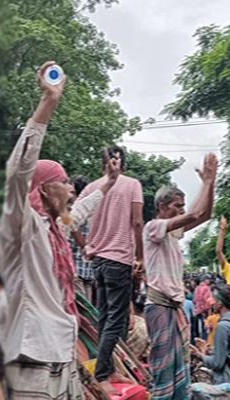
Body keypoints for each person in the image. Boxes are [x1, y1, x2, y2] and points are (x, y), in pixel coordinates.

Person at [0, 61, 120, 399]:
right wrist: (48, 102)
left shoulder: (54, 228)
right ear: (43, 189)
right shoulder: (24, 225)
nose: (70, 188)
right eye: (63, 182)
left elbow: (79, 212)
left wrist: (109, 183)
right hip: (31, 358)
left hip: (60, 353)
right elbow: (17, 172)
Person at [143, 153, 217, 400]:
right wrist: (205, 182)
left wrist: (212, 181)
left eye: (182, 207)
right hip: (159, 306)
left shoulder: (173, 233)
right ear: (162, 207)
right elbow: (195, 215)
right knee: (164, 369)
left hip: (173, 309)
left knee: (180, 368)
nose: (182, 211)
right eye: (177, 206)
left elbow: (205, 215)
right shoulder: (153, 227)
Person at [76, 145, 144, 394]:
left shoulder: (92, 187)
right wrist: (140, 256)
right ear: (122, 165)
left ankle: (110, 368)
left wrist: (86, 246)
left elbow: (72, 217)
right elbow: (137, 221)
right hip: (119, 259)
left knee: (104, 317)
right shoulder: (132, 184)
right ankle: (103, 373)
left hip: (98, 262)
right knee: (116, 320)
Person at [191, 284, 230, 400]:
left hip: (227, 383)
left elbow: (217, 363)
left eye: (214, 300)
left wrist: (199, 355)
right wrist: (207, 348)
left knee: (192, 389)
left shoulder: (223, 326)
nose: (211, 302)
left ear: (220, 303)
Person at [69, 175, 95, 303]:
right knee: (87, 315)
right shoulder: (92, 212)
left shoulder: (71, 211)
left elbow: (72, 227)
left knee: (80, 315)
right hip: (88, 272)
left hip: (75, 271)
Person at [193, 274, 212, 339]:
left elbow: (195, 299)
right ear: (205, 280)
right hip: (204, 310)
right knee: (205, 326)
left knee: (198, 326)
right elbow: (207, 299)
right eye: (208, 279)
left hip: (197, 309)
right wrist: (208, 309)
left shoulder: (197, 288)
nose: (209, 281)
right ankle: (205, 340)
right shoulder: (206, 288)